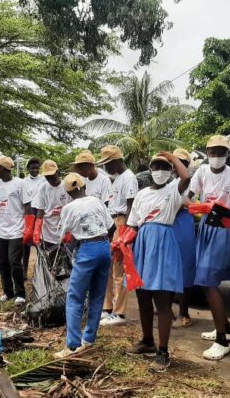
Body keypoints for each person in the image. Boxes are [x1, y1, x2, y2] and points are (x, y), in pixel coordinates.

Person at [125, 152, 190, 371]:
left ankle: (163, 352)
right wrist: (122, 241)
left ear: (170, 170)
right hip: (142, 245)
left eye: (165, 166)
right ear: (150, 170)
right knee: (143, 297)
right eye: (156, 166)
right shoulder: (142, 194)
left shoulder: (174, 190)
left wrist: (173, 158)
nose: (160, 170)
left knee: (162, 300)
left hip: (163, 245)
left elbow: (186, 177)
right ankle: (147, 341)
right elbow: (133, 224)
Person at [189, 135, 230, 360]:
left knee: (208, 280)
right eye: (212, 152)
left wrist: (229, 215)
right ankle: (226, 329)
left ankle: (222, 341)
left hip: (224, 228)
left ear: (227, 154)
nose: (216, 156)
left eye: (220, 152)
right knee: (204, 281)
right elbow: (189, 197)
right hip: (206, 225)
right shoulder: (202, 172)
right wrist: (199, 207)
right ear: (207, 152)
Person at [54, 173, 114, 359]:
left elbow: (61, 234)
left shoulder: (69, 208)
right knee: (97, 295)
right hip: (104, 248)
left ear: (68, 191)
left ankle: (72, 345)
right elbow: (111, 226)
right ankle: (89, 339)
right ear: (83, 186)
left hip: (87, 249)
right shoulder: (96, 201)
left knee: (75, 297)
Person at [96, 145, 138, 327]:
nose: (105, 168)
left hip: (122, 223)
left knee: (119, 271)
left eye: (108, 164)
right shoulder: (115, 179)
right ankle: (107, 308)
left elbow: (130, 207)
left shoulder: (129, 178)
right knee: (107, 267)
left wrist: (126, 232)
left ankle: (119, 312)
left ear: (118, 161)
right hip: (112, 223)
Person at [0, 156, 27, 304]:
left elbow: (27, 207)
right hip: (0, 230)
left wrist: (28, 229)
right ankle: (8, 292)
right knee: (2, 262)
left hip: (17, 229)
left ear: (3, 168)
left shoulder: (20, 184)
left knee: (14, 261)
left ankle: (20, 293)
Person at [170, 148, 196, 329]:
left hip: (182, 223)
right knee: (170, 267)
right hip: (172, 223)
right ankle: (169, 308)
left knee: (183, 269)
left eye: (180, 162)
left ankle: (184, 313)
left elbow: (181, 204)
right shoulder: (172, 182)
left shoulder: (189, 184)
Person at [31, 160, 70, 250]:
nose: (50, 179)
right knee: (47, 259)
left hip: (64, 227)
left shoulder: (67, 186)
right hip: (47, 230)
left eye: (52, 176)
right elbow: (41, 210)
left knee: (63, 260)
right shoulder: (43, 187)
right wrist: (37, 229)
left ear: (58, 172)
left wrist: (70, 231)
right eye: (47, 177)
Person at [22, 157, 45, 278]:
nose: (35, 170)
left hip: (40, 212)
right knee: (26, 241)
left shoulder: (44, 180)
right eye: (32, 168)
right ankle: (24, 270)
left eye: (37, 168)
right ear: (28, 169)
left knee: (38, 241)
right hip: (28, 213)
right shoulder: (24, 181)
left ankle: (40, 272)